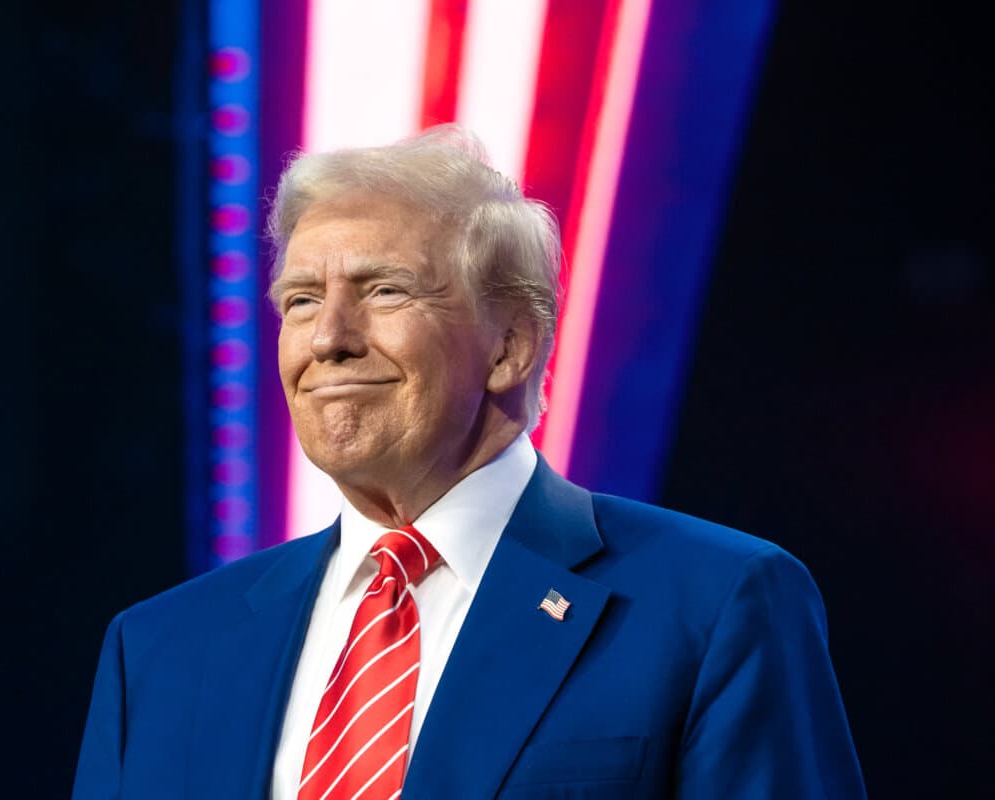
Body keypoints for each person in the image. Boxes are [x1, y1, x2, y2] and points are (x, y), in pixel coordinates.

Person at [72, 126, 866, 799]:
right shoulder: (160, 650)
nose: (329, 339)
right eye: (301, 300)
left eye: (385, 291)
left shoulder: (715, 603)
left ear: (509, 347)